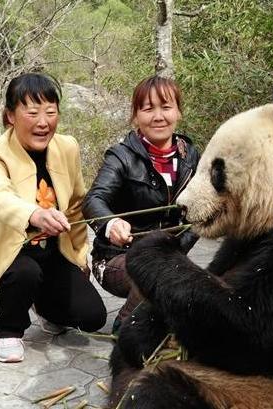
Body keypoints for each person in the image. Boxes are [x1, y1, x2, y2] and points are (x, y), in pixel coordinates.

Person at [0, 73, 106, 363]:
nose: (43, 122)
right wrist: (35, 214)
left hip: (54, 251)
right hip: (12, 251)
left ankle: (41, 304)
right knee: (25, 274)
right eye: (32, 113)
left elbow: (76, 206)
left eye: (51, 112)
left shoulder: (67, 147)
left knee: (92, 317)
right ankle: (8, 330)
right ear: (10, 116)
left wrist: (80, 254)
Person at [82, 75, 200, 335]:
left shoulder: (190, 156)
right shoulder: (121, 156)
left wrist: (178, 248)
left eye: (166, 107)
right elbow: (93, 199)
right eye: (148, 109)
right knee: (157, 272)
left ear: (178, 112)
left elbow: (202, 212)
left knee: (196, 286)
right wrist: (110, 223)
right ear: (135, 116)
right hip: (115, 260)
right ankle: (124, 330)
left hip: (168, 257)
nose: (158, 116)